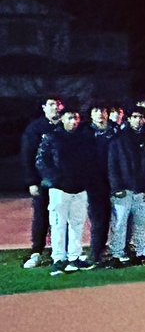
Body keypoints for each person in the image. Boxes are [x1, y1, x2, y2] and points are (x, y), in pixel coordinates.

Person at [36, 111, 99, 275]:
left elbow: (90, 161)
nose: (73, 121)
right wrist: (56, 179)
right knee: (58, 225)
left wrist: (86, 179)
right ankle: (58, 259)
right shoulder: (52, 137)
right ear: (63, 119)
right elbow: (41, 160)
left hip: (79, 188)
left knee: (77, 224)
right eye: (70, 118)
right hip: (59, 189)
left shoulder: (84, 138)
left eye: (76, 118)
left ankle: (74, 257)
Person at [107, 106, 145, 263]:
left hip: (142, 190)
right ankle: (117, 253)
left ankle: (139, 249)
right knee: (120, 223)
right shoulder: (118, 139)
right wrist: (116, 188)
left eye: (141, 117)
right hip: (124, 190)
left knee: (141, 224)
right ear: (129, 118)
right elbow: (112, 165)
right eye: (134, 116)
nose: (138, 120)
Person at [20, 97, 63, 269]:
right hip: (43, 181)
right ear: (44, 107)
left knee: (63, 218)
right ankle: (36, 251)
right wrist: (31, 181)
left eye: (58, 104)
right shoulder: (35, 128)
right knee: (41, 217)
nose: (55, 108)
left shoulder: (65, 125)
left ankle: (61, 252)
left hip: (63, 182)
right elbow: (27, 155)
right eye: (51, 104)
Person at [85, 102, 116, 265]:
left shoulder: (115, 131)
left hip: (114, 181)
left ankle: (115, 250)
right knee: (98, 220)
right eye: (96, 111)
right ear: (91, 114)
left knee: (116, 219)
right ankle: (96, 252)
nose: (100, 114)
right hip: (94, 184)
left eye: (103, 111)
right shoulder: (85, 132)